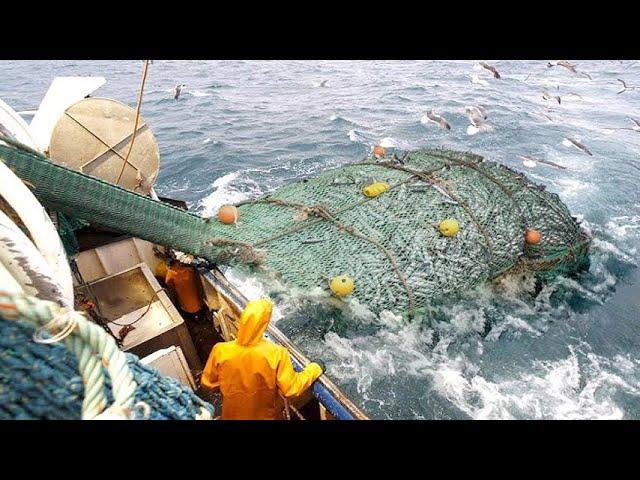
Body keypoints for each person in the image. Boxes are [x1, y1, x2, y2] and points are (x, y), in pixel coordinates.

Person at [200, 297, 324, 420]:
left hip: (232, 415)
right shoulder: (276, 353)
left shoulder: (220, 350)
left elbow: (207, 383)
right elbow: (291, 389)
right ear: (265, 323)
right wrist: (315, 368)